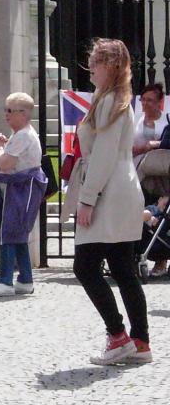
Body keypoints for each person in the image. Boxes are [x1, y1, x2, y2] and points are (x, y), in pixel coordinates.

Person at [62, 38, 149, 365]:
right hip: (120, 189)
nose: (91, 68)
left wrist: (87, 199)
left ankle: (118, 336)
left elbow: (102, 155)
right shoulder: (114, 99)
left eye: (96, 62)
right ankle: (140, 341)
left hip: (108, 193)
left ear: (110, 66)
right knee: (123, 269)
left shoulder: (110, 101)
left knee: (85, 266)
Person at [0, 93, 46, 297]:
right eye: (6, 109)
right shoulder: (22, 134)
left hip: (21, 188)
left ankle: (5, 281)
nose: (6, 114)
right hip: (22, 187)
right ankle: (25, 279)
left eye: (10, 110)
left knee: (9, 233)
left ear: (23, 113)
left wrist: (0, 148)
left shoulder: (22, 135)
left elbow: (5, 164)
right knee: (18, 234)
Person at [140, 197, 170, 278]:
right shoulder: (152, 208)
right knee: (146, 213)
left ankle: (161, 262)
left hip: (163, 244)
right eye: (165, 198)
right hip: (145, 240)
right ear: (160, 199)